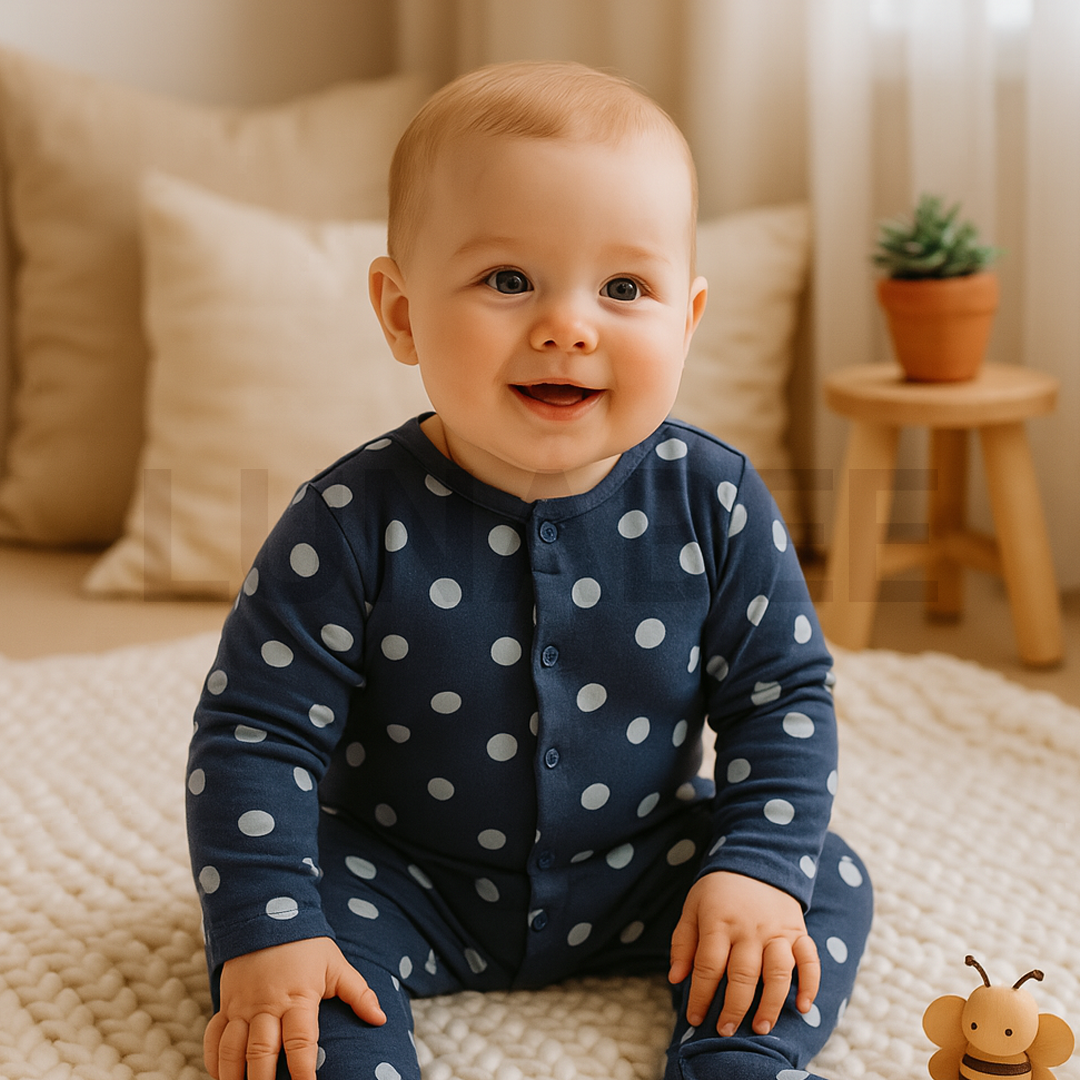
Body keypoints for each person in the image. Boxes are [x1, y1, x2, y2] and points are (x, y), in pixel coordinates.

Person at [186, 59, 872, 1080]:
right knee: (283, 939)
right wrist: (265, 926)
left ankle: (738, 1054)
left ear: (685, 319)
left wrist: (755, 873)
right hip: (401, 870)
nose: (568, 324)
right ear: (403, 311)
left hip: (639, 865)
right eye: (508, 280)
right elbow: (256, 730)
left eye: (625, 288)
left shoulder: (715, 499)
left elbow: (782, 697)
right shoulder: (346, 518)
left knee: (817, 875)